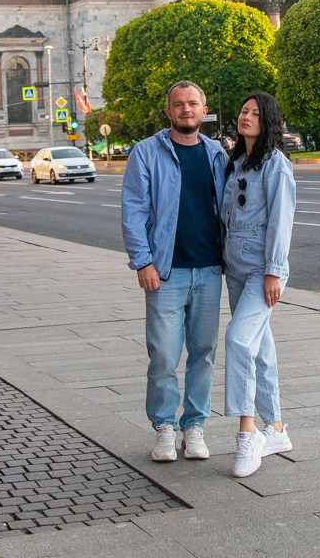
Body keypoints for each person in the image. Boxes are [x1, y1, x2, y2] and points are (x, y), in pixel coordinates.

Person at [121, 81, 228, 463]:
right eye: (178, 104)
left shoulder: (216, 153)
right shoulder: (147, 153)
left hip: (209, 270)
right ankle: (165, 427)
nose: (186, 109)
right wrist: (143, 260)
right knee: (164, 355)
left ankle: (194, 426)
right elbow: (134, 211)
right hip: (166, 273)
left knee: (204, 353)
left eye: (193, 103)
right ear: (168, 112)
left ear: (203, 111)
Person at [221, 92, 296, 477]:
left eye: (255, 113)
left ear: (268, 121)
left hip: (260, 271)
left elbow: (282, 221)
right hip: (234, 267)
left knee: (237, 340)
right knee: (260, 348)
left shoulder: (275, 165)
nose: (246, 116)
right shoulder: (236, 164)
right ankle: (278, 429)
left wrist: (273, 271)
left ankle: (247, 432)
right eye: (243, 110)